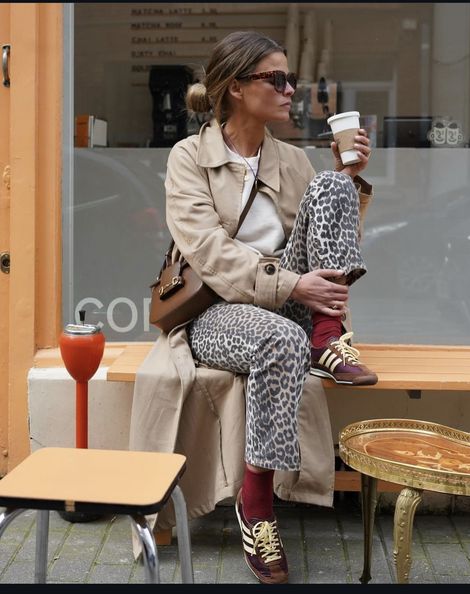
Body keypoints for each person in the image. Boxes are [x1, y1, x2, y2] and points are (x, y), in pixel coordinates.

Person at [140, 30, 377, 584]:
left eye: (290, 77)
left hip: (295, 300)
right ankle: (257, 505)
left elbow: (332, 244)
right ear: (237, 88)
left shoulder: (293, 159)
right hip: (218, 310)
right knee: (279, 339)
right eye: (277, 79)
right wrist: (294, 288)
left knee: (335, 188)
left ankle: (327, 336)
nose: (291, 88)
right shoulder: (190, 158)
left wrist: (352, 185)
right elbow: (209, 252)